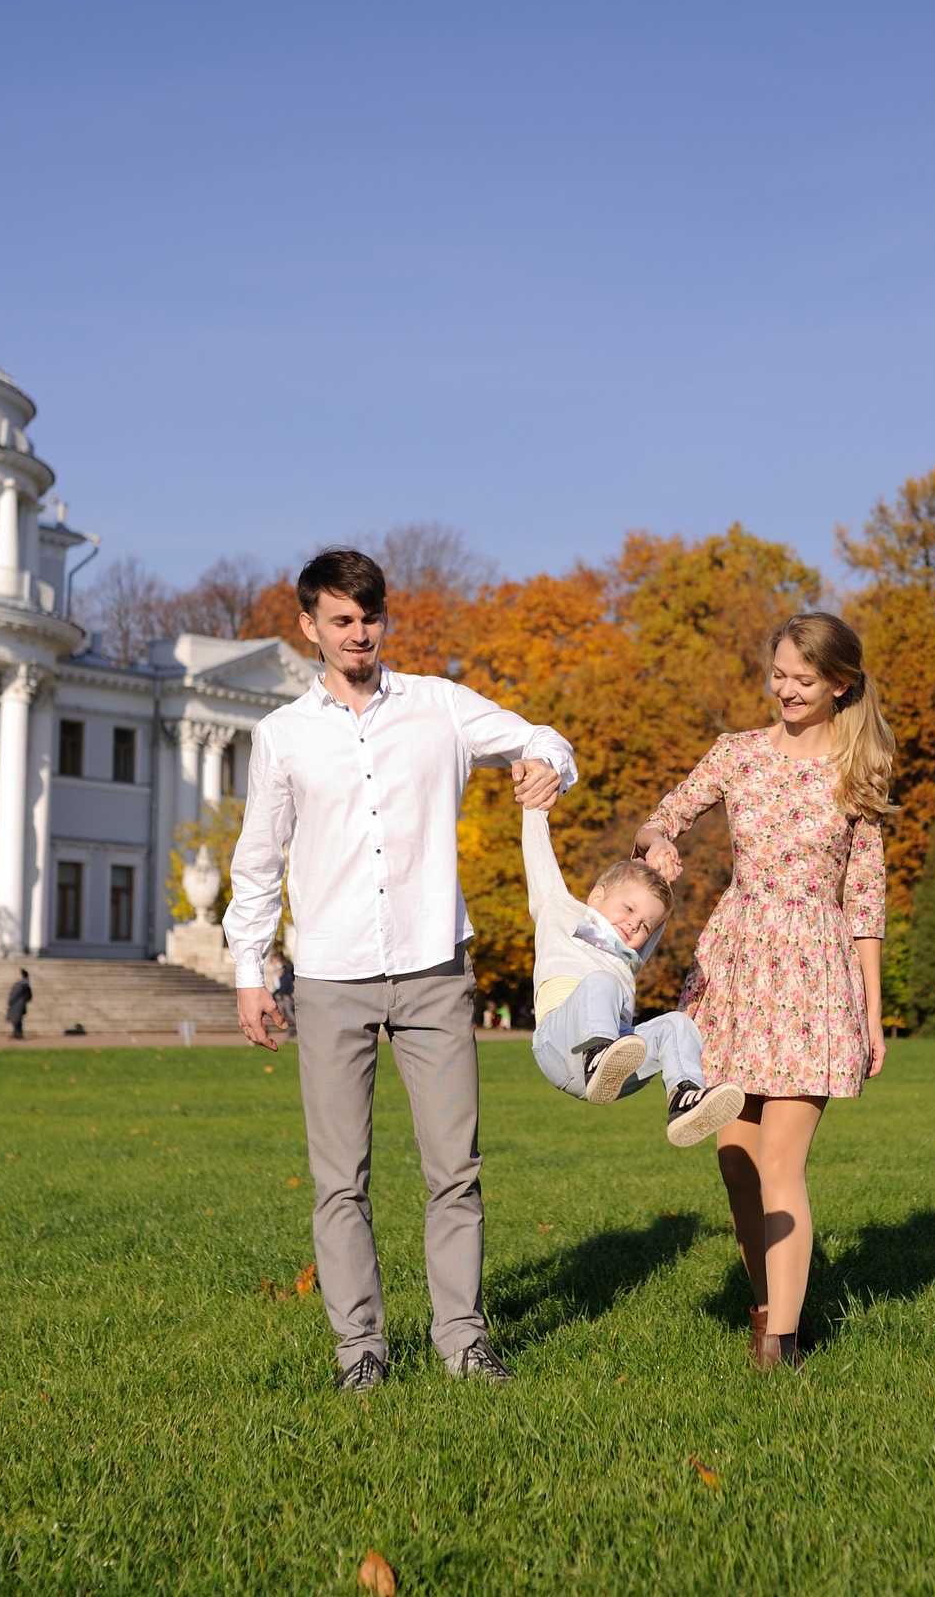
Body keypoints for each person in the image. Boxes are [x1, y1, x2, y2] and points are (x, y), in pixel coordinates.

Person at [224, 547, 574, 1393]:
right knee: (339, 1180)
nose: (358, 634)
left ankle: (461, 1339)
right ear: (309, 626)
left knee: (454, 1168)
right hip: (331, 978)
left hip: (432, 969)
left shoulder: (441, 708)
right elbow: (259, 861)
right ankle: (361, 1353)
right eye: (340, 620)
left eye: (370, 618)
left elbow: (541, 735)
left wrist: (547, 767)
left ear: (387, 620)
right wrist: (248, 968)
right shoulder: (282, 736)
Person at [634, 612, 894, 1371]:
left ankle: (776, 1343)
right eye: (778, 674)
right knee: (735, 1157)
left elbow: (867, 902)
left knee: (782, 1159)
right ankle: (770, 1301)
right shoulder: (737, 754)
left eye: (802, 680)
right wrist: (657, 845)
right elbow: (665, 816)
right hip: (736, 968)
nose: (784, 689)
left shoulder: (858, 772)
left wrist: (873, 1015)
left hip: (814, 973)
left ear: (839, 684)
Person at [521, 806, 747, 1145]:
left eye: (644, 925)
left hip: (618, 1066)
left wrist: (661, 877)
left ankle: (684, 1098)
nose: (634, 925)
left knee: (677, 1023)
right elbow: (538, 858)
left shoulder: (630, 953)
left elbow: (655, 915)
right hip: (561, 1044)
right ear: (597, 896)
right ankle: (597, 1052)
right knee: (603, 981)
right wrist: (534, 808)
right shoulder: (559, 910)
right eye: (628, 909)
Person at [5, 968, 31, 1040]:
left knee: (16, 1020)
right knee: (18, 1020)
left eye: (19, 973)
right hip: (21, 1004)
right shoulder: (26, 984)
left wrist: (10, 1002)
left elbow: (14, 994)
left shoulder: (20, 985)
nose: (18, 975)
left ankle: (17, 1034)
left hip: (16, 1004)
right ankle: (18, 1034)